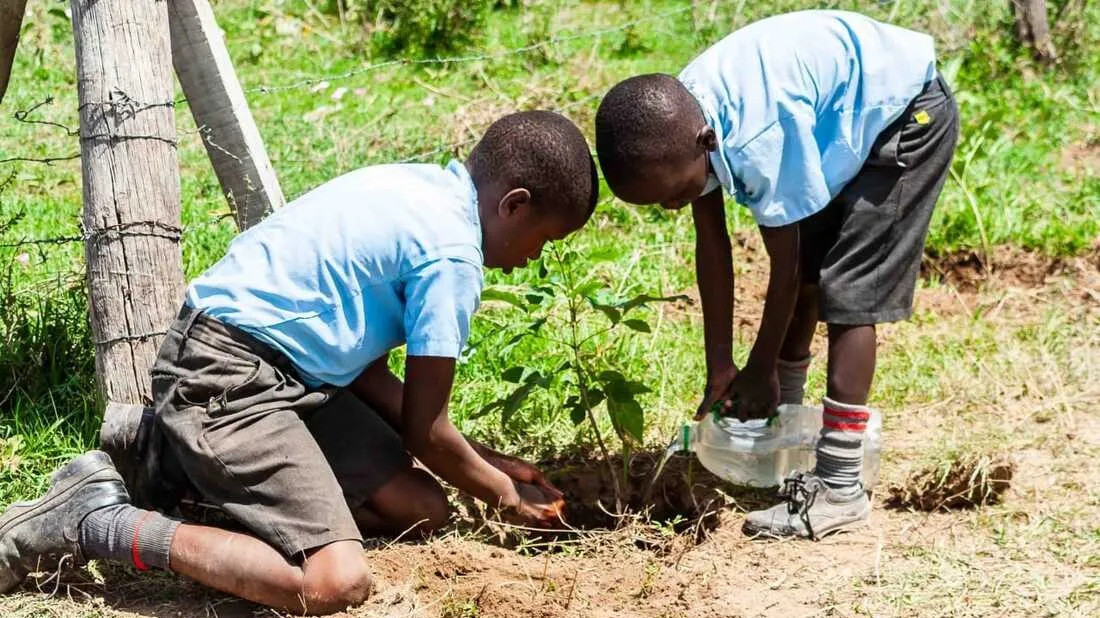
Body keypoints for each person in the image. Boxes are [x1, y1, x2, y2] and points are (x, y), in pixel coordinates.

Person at [0, 110, 597, 614]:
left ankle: (165, 455)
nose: (533, 258)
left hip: (281, 376)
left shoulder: (424, 189)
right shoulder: (452, 259)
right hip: (226, 375)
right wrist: (505, 495)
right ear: (515, 205)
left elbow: (368, 375)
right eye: (543, 240)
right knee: (334, 582)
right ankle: (95, 520)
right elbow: (426, 432)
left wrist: (491, 463)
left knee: (421, 509)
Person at [594, 10, 959, 539]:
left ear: (705, 143)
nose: (674, 205)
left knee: (846, 287)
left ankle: (840, 487)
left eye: (675, 193)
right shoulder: (684, 123)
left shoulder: (757, 138)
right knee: (813, 262)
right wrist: (721, 365)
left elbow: (785, 270)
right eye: (661, 203)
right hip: (836, 115)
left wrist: (761, 365)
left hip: (906, 116)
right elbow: (712, 248)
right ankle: (785, 420)